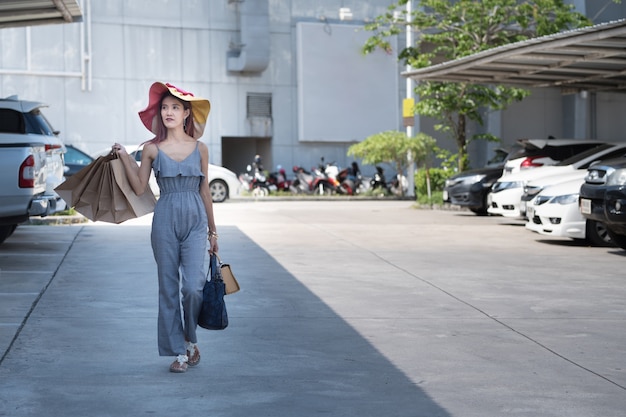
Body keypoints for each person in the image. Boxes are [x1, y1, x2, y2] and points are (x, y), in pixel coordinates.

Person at [112, 82, 218, 373]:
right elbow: (138, 186)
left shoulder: (201, 149)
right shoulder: (151, 150)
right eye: (164, 107)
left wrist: (213, 231)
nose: (168, 112)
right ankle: (180, 353)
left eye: (175, 107)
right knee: (169, 288)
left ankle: (190, 338)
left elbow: (205, 190)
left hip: (196, 221)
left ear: (187, 113)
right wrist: (123, 155)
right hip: (165, 219)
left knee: (194, 288)